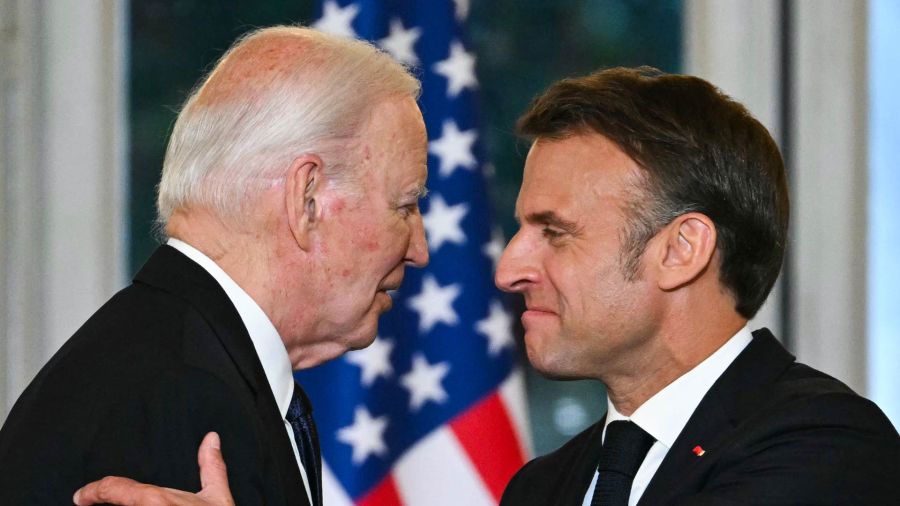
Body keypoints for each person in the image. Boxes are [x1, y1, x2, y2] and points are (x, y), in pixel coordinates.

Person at [74, 67, 900, 505]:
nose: (508, 268)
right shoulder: (545, 488)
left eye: (555, 231)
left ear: (681, 250)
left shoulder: (828, 453)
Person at [0, 25, 429, 506]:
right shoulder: (183, 401)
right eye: (406, 207)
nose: (420, 248)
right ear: (306, 199)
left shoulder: (186, 361)